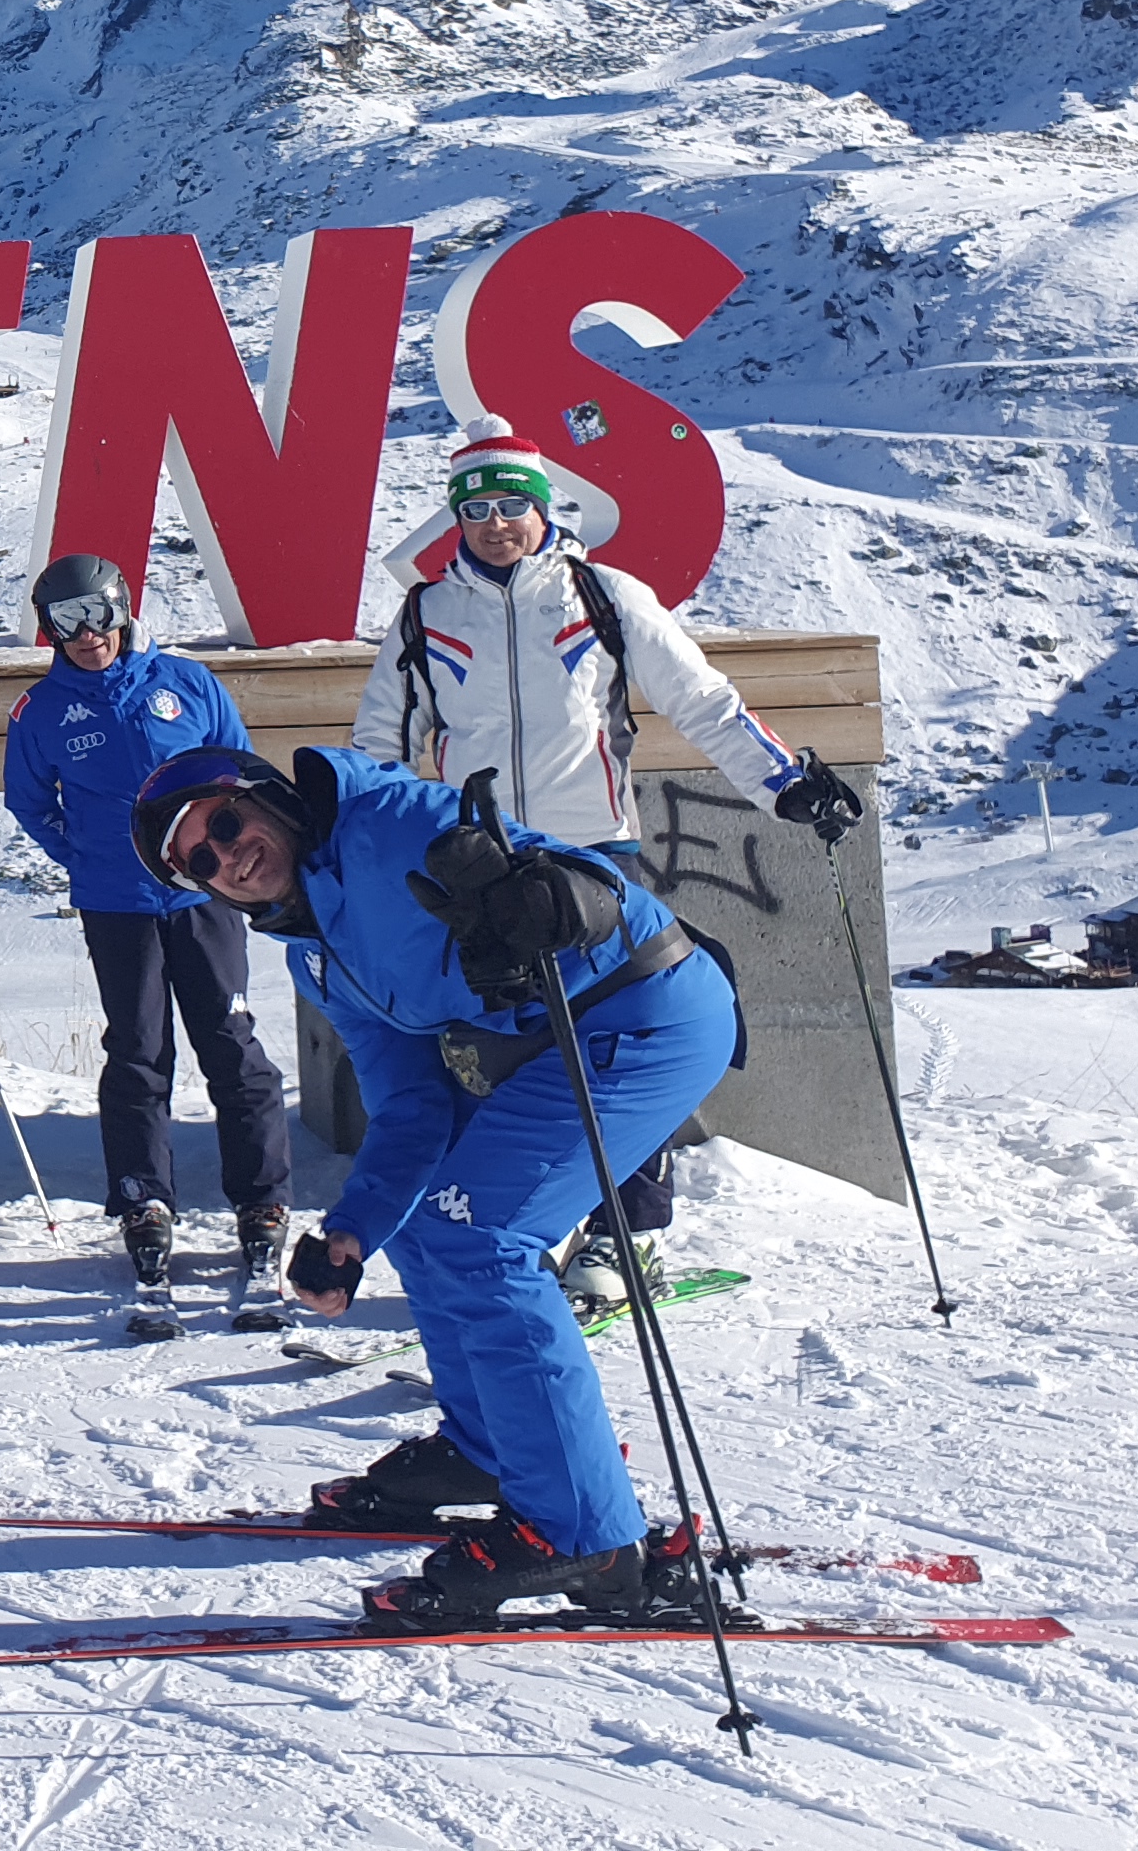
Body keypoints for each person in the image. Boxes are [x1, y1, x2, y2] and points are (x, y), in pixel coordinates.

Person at [136, 737, 742, 1626]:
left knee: (483, 1242)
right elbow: (413, 1106)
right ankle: (491, 1450)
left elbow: (572, 876)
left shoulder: (387, 823)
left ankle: (588, 1536)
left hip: (645, 1017)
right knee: (432, 1227)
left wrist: (560, 899)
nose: (227, 857)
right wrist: (355, 1229)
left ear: (265, 797)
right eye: (199, 862)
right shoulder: (318, 956)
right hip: (549, 1054)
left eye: (224, 824)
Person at [353, 415, 858, 1301]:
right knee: (504, 1056)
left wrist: (786, 784)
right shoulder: (426, 614)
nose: (496, 524)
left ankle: (629, 1237)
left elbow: (702, 700)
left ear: (542, 507)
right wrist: (365, 850)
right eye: (475, 510)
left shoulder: (603, 596)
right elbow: (380, 745)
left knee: (623, 1050)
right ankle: (521, 1231)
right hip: (481, 869)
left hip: (593, 856)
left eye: (512, 505)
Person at [1, 551, 290, 1298]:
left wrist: (226, 864)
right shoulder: (41, 711)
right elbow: (29, 802)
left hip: (202, 900)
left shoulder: (186, 683)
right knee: (137, 1052)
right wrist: (87, 855)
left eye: (99, 613)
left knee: (231, 1043)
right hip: (116, 904)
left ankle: (262, 1201)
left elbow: (240, 774)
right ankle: (143, 1200)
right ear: (48, 630)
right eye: (67, 621)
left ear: (124, 610)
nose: (87, 634)